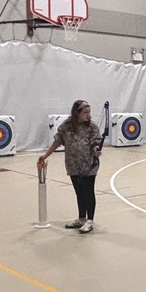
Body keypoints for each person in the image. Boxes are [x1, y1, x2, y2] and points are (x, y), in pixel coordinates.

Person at [39, 99, 103, 233]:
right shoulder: (67, 126)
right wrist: (45, 156)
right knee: (79, 192)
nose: (88, 115)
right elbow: (57, 142)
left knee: (88, 192)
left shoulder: (92, 126)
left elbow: (95, 143)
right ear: (76, 113)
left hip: (88, 165)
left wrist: (96, 150)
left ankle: (90, 220)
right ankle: (81, 218)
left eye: (89, 112)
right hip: (73, 165)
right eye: (85, 112)